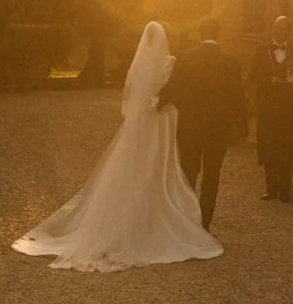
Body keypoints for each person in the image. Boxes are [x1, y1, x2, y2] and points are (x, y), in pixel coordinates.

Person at [11, 20, 223, 272]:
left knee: (137, 171)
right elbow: (174, 92)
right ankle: (156, 223)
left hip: (145, 125)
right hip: (160, 125)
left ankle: (130, 222)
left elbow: (139, 96)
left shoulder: (144, 66)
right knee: (159, 172)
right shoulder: (170, 63)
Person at [156, 15, 247, 229]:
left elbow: (173, 88)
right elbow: (238, 96)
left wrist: (153, 105)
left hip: (190, 126)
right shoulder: (230, 62)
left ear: (200, 33)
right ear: (218, 34)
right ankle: (204, 224)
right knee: (212, 176)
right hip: (218, 128)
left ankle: (187, 221)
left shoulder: (186, 57)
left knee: (189, 172)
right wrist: (242, 126)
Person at [249, 14, 293, 202]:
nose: (278, 32)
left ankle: (285, 189)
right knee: (268, 148)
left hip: (288, 110)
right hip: (267, 109)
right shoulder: (261, 50)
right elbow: (252, 76)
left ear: (289, 32)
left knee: (286, 148)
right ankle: (270, 187)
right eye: (276, 28)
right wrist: (269, 80)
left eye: (283, 29)